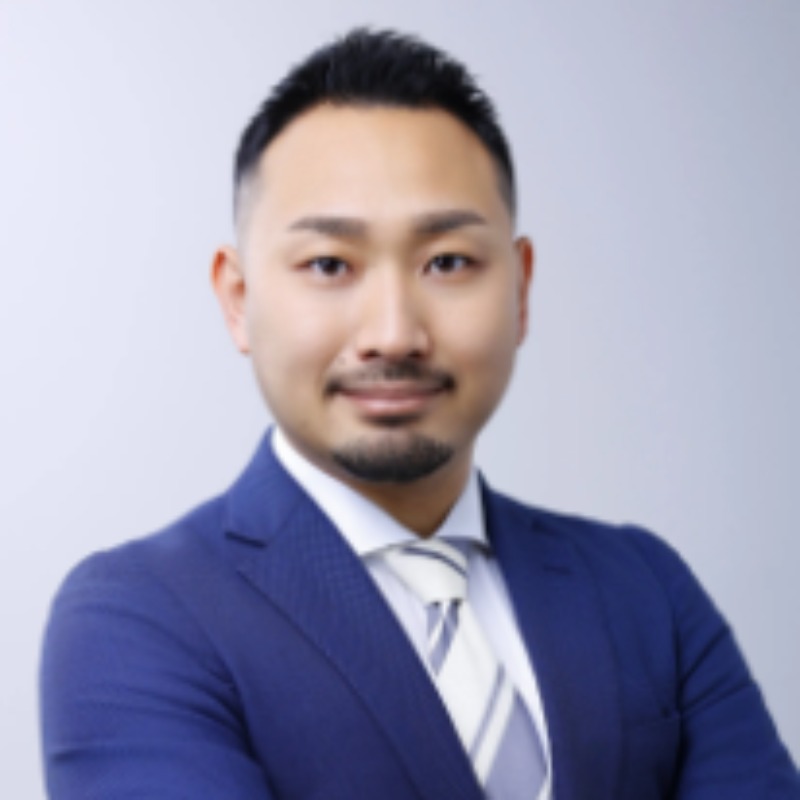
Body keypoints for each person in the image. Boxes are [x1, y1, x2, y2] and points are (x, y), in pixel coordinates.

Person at [40, 28, 799, 800]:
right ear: (239, 301)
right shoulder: (138, 617)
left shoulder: (643, 588)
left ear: (520, 289)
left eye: (447, 262)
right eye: (329, 265)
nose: (394, 333)